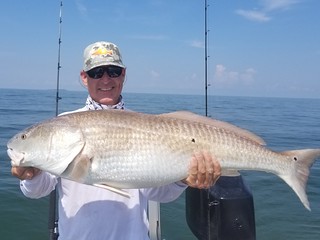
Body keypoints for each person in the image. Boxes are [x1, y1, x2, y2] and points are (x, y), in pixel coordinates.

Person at [11, 41, 221, 240]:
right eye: (96, 72)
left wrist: (182, 179)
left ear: (123, 75)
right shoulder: (63, 126)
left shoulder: (143, 124)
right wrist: (31, 176)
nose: (105, 80)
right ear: (84, 77)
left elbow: (159, 193)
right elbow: (38, 190)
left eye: (113, 71)